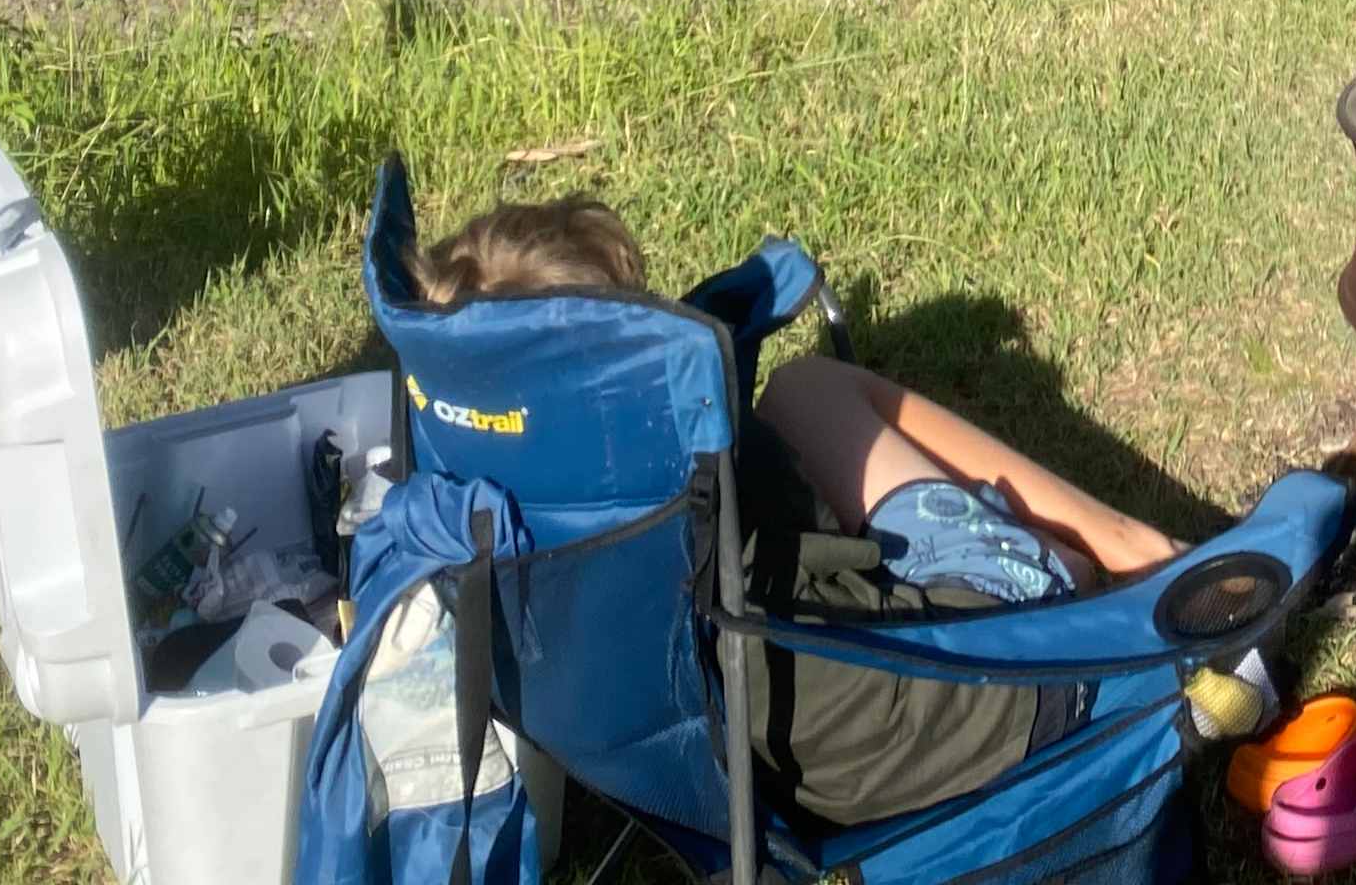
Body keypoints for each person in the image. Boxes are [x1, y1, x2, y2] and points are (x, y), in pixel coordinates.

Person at [413, 198, 1188, 831]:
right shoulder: (683, 498)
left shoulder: (490, 539)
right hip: (987, 683)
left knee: (797, 393)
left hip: (759, 773)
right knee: (818, 393)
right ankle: (1143, 553)